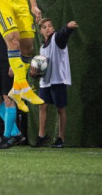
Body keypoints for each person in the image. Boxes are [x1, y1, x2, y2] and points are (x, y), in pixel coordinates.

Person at [34, 19, 78, 148]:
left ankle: (61, 139)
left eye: (50, 26)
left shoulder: (57, 39)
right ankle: (41, 136)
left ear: (53, 29)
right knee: (42, 106)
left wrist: (68, 28)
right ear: (41, 31)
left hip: (58, 80)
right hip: (45, 82)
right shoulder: (42, 48)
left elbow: (63, 34)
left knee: (60, 109)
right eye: (44, 27)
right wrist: (35, 72)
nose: (48, 28)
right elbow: (42, 67)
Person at [0, 20, 24, 149]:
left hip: (8, 64)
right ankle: (16, 133)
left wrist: (14, 62)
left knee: (8, 99)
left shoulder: (10, 17)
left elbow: (17, 41)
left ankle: (7, 137)